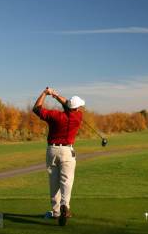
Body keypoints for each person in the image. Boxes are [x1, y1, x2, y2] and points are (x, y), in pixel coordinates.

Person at [32, 87, 85, 226]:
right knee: (66, 181)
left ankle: (56, 212)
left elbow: (36, 108)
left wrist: (46, 93)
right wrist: (56, 96)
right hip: (68, 151)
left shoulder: (55, 116)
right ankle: (65, 206)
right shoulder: (78, 117)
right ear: (77, 108)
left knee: (54, 182)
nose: (80, 108)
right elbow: (67, 104)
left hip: (52, 150)